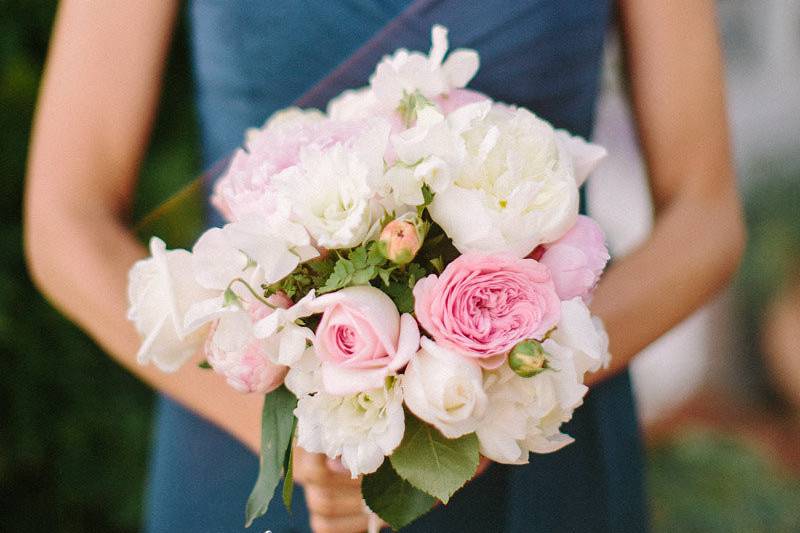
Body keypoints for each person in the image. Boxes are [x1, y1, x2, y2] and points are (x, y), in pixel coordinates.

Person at [24, 1, 745, 532]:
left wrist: (508, 391)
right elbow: (66, 218)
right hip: (260, 451)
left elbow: (706, 217)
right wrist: (298, 436)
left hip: (536, 446)